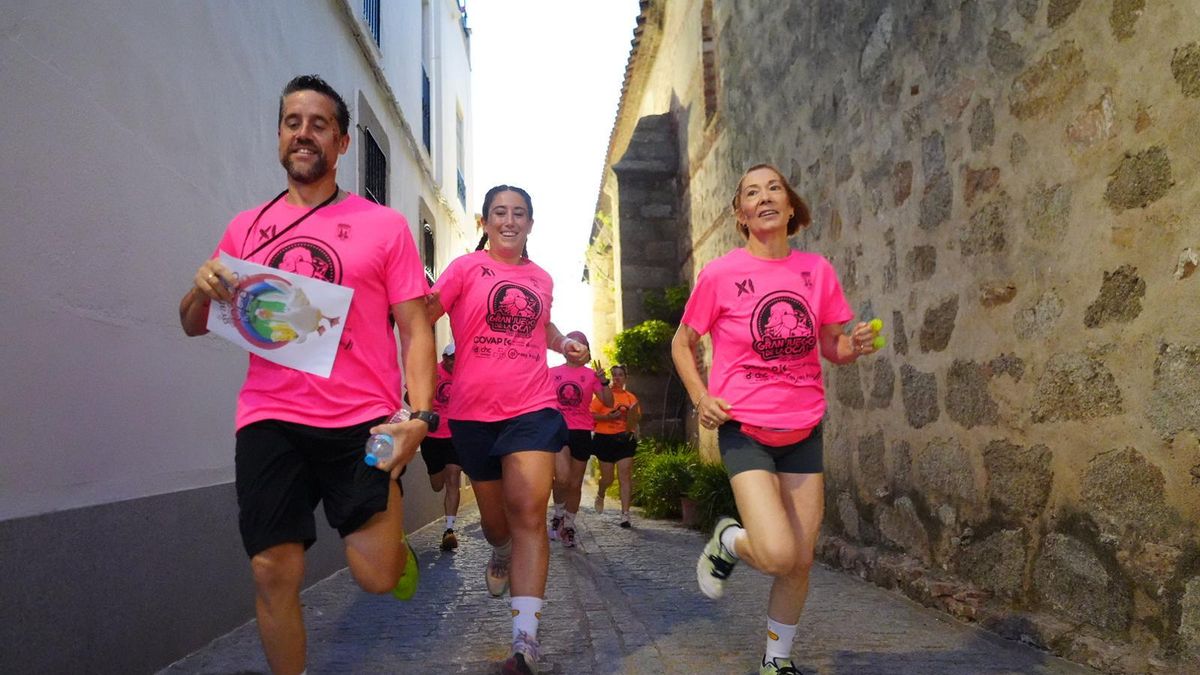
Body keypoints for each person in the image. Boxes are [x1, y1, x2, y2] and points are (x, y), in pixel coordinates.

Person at [178, 75, 437, 675]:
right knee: (272, 570)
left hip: (363, 421)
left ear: (343, 143)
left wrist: (419, 417)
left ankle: (397, 558)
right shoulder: (246, 227)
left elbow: (416, 327)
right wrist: (197, 288)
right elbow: (192, 322)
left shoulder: (385, 226)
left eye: (319, 123)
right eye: (292, 121)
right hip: (270, 415)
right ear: (278, 138)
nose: (304, 132)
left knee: (375, 575)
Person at [671, 163, 881, 675]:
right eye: (751, 192)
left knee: (800, 560)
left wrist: (849, 347)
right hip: (746, 429)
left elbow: (830, 343)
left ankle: (776, 662)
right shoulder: (720, 274)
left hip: (804, 429)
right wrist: (701, 397)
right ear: (742, 215)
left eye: (774, 189)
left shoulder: (816, 271)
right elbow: (683, 342)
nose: (764, 197)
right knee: (777, 552)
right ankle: (728, 539)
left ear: (791, 208)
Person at [426, 184, 589, 675]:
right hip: (473, 415)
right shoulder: (464, 269)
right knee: (498, 525)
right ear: (485, 222)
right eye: (500, 212)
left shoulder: (540, 277)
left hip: (532, 409)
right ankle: (497, 551)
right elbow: (422, 315)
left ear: (530, 224)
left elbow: (543, 327)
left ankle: (525, 643)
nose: (509, 220)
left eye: (519, 213)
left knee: (528, 512)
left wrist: (564, 343)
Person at [547, 333, 613, 547]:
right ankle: (557, 513)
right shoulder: (551, 373)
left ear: (585, 349)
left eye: (581, 345)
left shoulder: (592, 375)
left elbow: (608, 402)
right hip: (559, 429)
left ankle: (569, 525)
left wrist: (604, 382)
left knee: (575, 484)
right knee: (562, 478)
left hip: (582, 431)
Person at [588, 365, 641, 527]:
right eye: (614, 375)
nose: (617, 378)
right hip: (604, 440)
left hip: (625, 440)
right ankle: (601, 492)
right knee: (608, 478)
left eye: (620, 375)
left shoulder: (631, 398)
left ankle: (625, 515)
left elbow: (636, 418)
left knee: (625, 475)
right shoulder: (603, 396)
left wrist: (629, 419)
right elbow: (591, 416)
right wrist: (608, 417)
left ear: (625, 378)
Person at [423, 342, 464, 551]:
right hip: (431, 435)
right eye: (451, 358)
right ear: (444, 358)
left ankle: (449, 530)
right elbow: (409, 396)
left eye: (458, 358)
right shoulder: (431, 371)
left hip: (455, 434)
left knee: (453, 477)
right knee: (437, 484)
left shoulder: (466, 374)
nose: (454, 362)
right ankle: (448, 528)